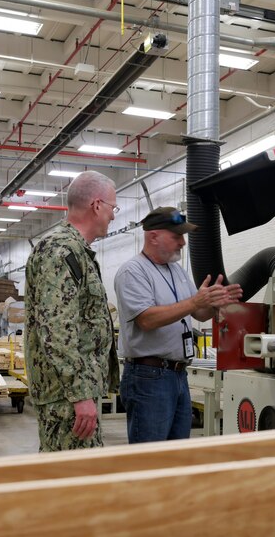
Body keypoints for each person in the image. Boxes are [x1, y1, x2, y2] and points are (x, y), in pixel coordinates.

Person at [115, 207, 243, 443]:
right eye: (176, 236)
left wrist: (214, 304)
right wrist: (195, 300)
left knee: (177, 453)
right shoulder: (133, 272)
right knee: (151, 455)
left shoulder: (177, 271)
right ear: (153, 236)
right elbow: (147, 319)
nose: (183, 243)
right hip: (149, 377)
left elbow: (198, 313)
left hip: (177, 375)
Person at [25, 171, 120, 451]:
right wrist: (80, 395)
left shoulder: (76, 251)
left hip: (71, 392)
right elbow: (56, 329)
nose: (113, 216)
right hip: (66, 397)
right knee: (72, 479)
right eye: (113, 208)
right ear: (97, 205)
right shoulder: (61, 251)